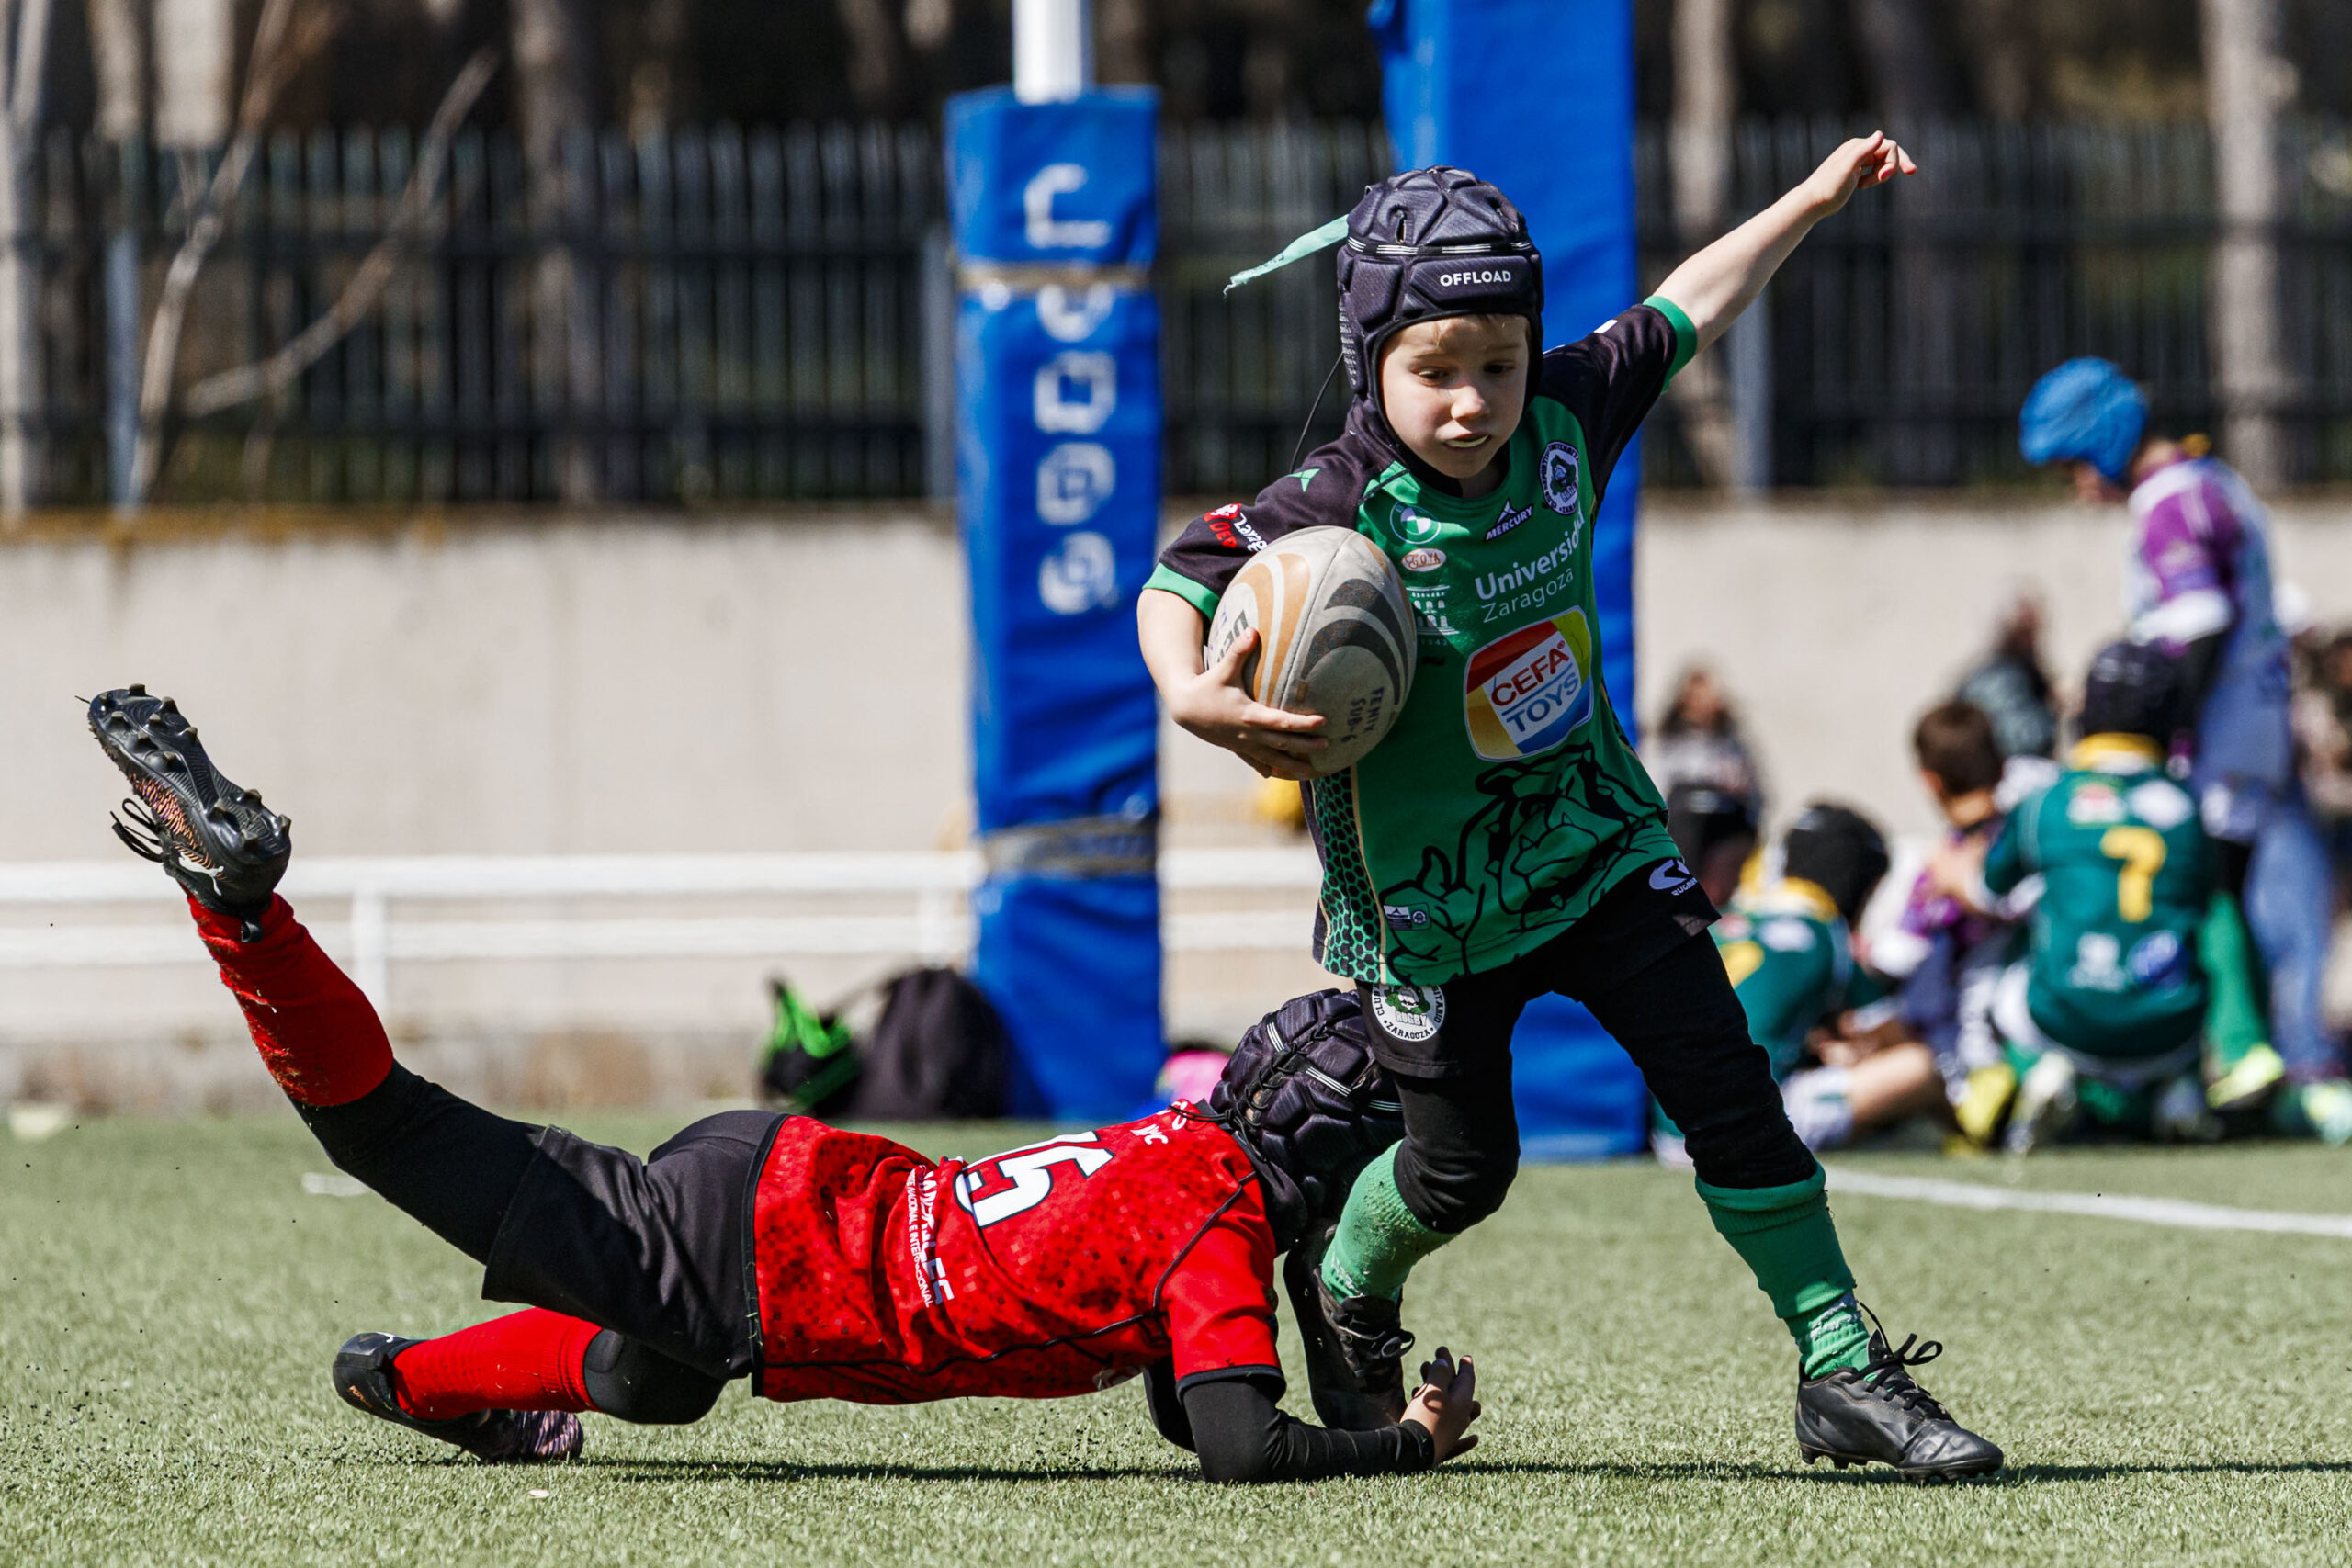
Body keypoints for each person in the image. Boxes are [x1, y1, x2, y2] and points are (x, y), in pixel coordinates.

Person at [1137, 142, 2002, 1479]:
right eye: (1437, 370)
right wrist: (1194, 693)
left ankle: (1842, 1363)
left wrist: (1814, 202)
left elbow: (1695, 299)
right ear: (1369, 357)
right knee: (1462, 1171)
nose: (1475, 399)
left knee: (1730, 1090)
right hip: (1428, 906)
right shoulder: (1332, 504)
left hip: (1599, 849)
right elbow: (1178, 579)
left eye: (1496, 361)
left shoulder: (1567, 415)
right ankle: (1347, 1290)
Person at [83, 686, 1481, 1483]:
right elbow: (1233, 1440)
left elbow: (1187, 1393)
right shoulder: (1219, 1231)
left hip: (783, 1177)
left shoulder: (1187, 1146)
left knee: (660, 1377)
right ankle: (241, 906)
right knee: (382, 1127)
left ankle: (417, 1381)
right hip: (759, 1252)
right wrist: (1402, 1442)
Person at [2019, 361, 2342, 1089]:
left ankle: (2233, 1057)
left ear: (2101, 442)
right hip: (2256, 725)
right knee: (2232, 886)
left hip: (2217, 735)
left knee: (2208, 893)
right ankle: (2248, 1055)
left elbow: (2199, 620)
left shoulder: (2168, 500)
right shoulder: (2215, 480)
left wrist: (2154, 732)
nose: (2078, 487)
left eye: (2073, 465)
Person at [1962, 644, 2351, 1150]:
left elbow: (1990, 892)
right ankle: (2211, 1068)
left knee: (2015, 944)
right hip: (2167, 1029)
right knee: (2213, 911)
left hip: (2063, 1018)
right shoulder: (2189, 811)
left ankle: (2027, 1070)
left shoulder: (2044, 804)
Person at [1653, 803, 1942, 1161]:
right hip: (1748, 1130)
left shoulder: (1732, 914)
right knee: (1918, 1067)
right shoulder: (1826, 933)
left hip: (1670, 1132)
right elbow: (1894, 1041)